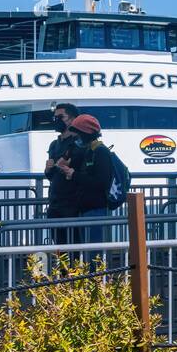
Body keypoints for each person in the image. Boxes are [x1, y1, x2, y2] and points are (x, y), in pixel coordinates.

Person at [54, 114, 114, 246]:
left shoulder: (100, 152)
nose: (76, 137)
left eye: (78, 134)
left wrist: (74, 174)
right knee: (87, 248)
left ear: (86, 134)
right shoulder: (89, 151)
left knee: (93, 250)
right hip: (85, 208)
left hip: (95, 208)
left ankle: (96, 268)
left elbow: (101, 182)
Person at [44, 102, 81, 237]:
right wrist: (48, 169)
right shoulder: (54, 144)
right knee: (58, 245)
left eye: (61, 117)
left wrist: (67, 168)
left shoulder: (79, 142)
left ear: (72, 119)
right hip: (55, 201)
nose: (56, 120)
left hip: (73, 203)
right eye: (55, 117)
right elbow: (50, 175)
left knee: (74, 244)